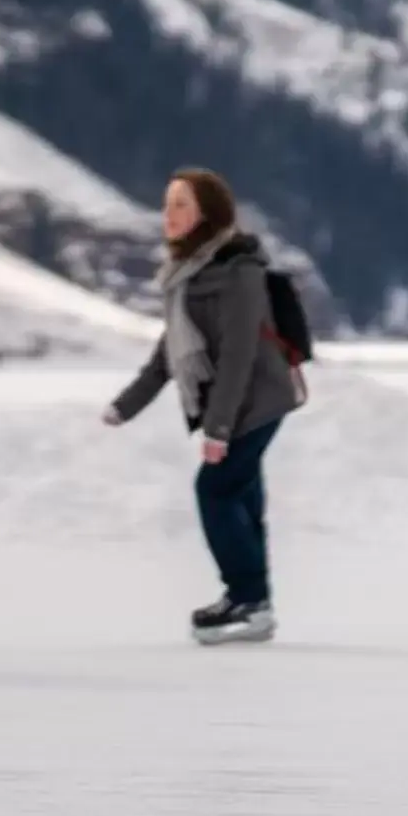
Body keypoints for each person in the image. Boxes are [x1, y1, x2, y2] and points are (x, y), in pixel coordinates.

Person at [103, 166, 304, 645]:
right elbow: (170, 350)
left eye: (181, 204)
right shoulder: (189, 273)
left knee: (214, 490)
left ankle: (249, 599)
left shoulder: (237, 273)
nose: (168, 214)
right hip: (236, 403)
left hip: (255, 401)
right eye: (168, 203)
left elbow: (238, 355)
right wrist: (126, 405)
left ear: (207, 213)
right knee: (240, 495)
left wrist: (217, 430)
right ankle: (254, 601)